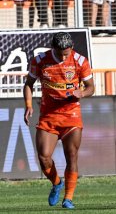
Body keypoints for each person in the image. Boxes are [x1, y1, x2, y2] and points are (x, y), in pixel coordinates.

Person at [23, 32, 95, 209]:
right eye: (62, 53)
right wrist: (29, 104)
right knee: (44, 157)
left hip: (71, 115)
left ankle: (68, 198)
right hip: (48, 116)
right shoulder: (40, 61)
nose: (65, 56)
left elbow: (92, 87)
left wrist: (82, 93)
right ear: (53, 48)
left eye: (67, 52)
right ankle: (56, 183)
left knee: (72, 156)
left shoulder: (80, 61)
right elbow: (29, 83)